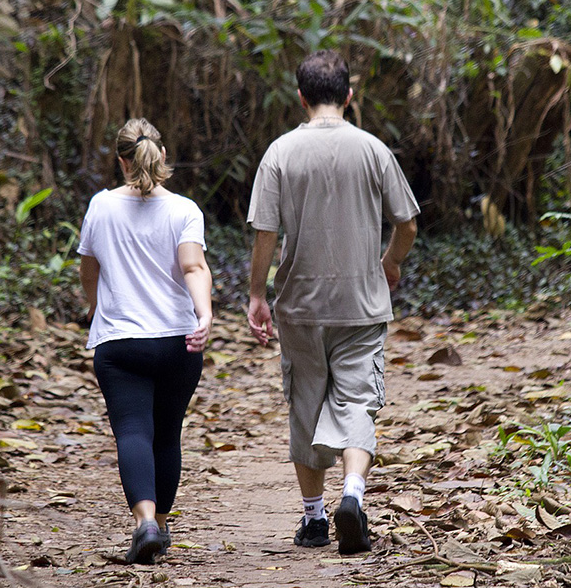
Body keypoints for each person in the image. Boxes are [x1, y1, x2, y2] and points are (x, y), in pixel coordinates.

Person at [246, 50, 419, 554]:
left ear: (301, 97)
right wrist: (390, 262)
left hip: (299, 305)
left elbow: (265, 232)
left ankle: (314, 518)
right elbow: (407, 224)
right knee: (358, 400)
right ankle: (353, 495)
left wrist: (257, 294)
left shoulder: (280, 153)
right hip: (361, 304)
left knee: (305, 403)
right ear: (349, 95)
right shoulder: (373, 150)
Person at [78, 118, 213, 564]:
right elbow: (194, 267)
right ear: (162, 154)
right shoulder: (184, 210)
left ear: (121, 161)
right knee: (167, 434)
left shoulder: (100, 207)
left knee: (133, 430)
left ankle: (146, 522)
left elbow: (89, 270)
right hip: (178, 342)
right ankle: (162, 524)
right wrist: (204, 315)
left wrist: (95, 306)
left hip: (121, 343)